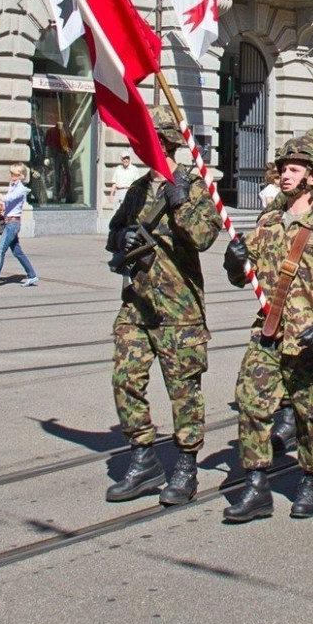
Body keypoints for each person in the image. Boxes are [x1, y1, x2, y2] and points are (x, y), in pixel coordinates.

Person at [221, 132, 313, 523]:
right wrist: (234, 261)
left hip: (309, 338)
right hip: (269, 332)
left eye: (294, 170)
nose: (285, 175)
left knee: (312, 416)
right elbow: (243, 278)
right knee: (251, 404)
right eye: (283, 169)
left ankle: (311, 480)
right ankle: (257, 485)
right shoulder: (268, 222)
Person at [104, 107, 223, 504]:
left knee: (183, 391)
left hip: (179, 310)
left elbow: (204, 236)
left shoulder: (195, 186)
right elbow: (115, 230)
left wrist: (179, 202)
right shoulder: (138, 188)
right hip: (137, 305)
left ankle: (185, 466)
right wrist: (121, 239)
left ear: (167, 143)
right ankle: (142, 457)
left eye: (146, 140)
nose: (138, 147)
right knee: (125, 380)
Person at [0, 165, 39, 288]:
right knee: (17, 252)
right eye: (10, 173)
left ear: (21, 176)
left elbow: (7, 199)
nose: (11, 176)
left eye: (14, 174)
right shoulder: (13, 186)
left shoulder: (21, 189)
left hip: (13, 224)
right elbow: (5, 206)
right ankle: (32, 276)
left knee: (0, 250)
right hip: (9, 222)